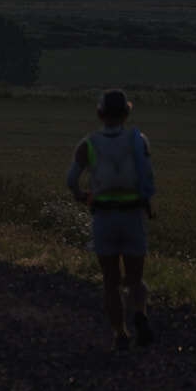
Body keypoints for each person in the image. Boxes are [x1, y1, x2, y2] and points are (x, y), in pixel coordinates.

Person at [66, 88, 157, 350]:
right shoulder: (139, 140)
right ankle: (140, 312)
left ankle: (120, 334)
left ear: (100, 113)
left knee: (110, 281)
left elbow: (71, 180)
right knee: (135, 277)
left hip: (104, 217)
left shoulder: (89, 144)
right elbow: (147, 176)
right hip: (132, 215)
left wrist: (82, 196)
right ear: (127, 113)